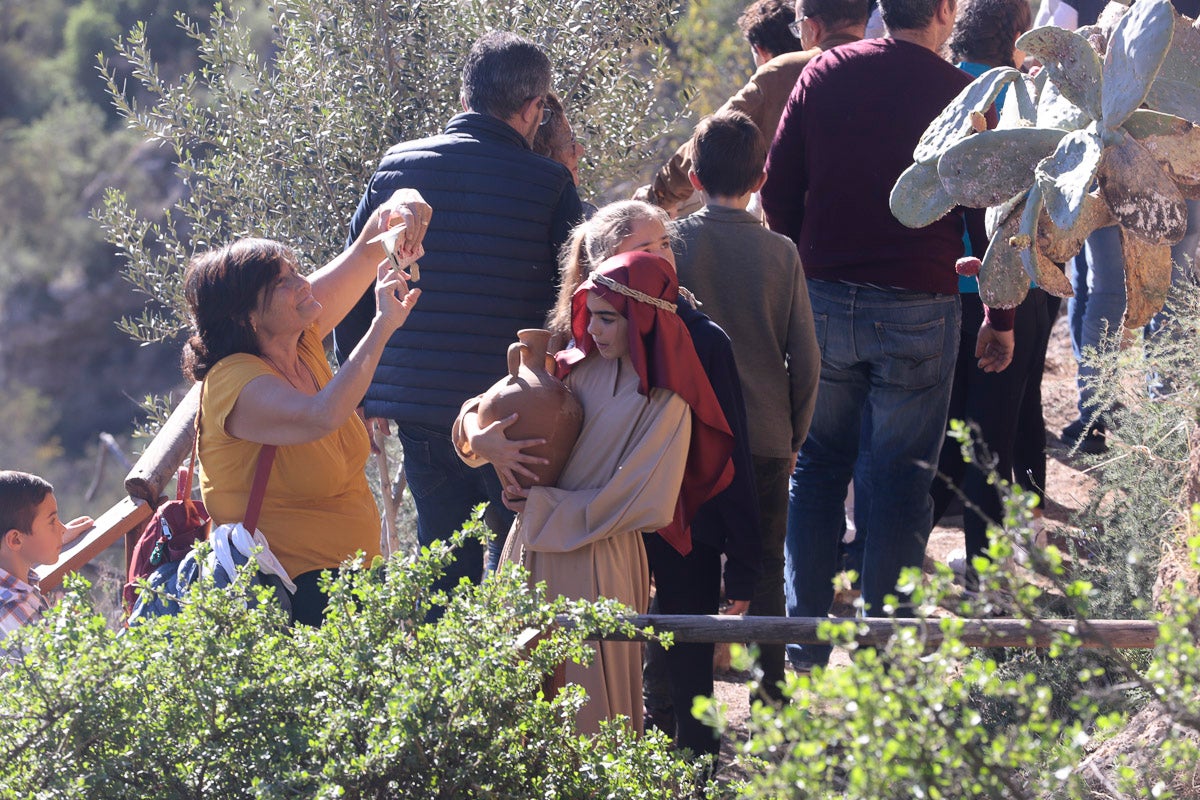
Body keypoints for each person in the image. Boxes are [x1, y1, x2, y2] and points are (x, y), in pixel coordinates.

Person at [761, 0, 1016, 669]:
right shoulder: (961, 94)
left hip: (825, 303)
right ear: (943, 11)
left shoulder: (827, 71)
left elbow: (778, 190)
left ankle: (805, 649)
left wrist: (803, 272)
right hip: (922, 307)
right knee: (901, 480)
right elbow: (992, 217)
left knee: (817, 471)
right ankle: (885, 665)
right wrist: (1001, 315)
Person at [334, 32, 584, 595]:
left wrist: (359, 392)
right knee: (521, 555)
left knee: (444, 559)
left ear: (464, 94)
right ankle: (513, 677)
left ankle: (448, 680)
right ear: (532, 109)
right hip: (518, 410)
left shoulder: (397, 168)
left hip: (423, 410)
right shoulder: (548, 185)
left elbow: (352, 280)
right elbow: (572, 298)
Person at [454, 250, 736, 736]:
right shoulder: (574, 369)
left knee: (589, 714)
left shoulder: (667, 401)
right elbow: (483, 409)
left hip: (602, 557)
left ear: (643, 316)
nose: (595, 329)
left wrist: (542, 506)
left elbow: (643, 499)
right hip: (531, 548)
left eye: (607, 318)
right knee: (520, 700)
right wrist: (476, 438)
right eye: (591, 315)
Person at [184, 191, 427, 627]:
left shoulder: (301, 339)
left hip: (355, 580)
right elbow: (320, 415)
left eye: (295, 271)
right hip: (294, 599)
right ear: (245, 318)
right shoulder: (232, 382)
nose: (303, 284)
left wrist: (405, 211)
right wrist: (382, 325)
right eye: (283, 282)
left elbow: (367, 245)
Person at [670, 111, 819, 702]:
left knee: (690, 573)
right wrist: (793, 437)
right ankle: (772, 703)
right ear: (760, 179)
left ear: (695, 176)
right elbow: (805, 359)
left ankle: (685, 710)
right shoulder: (781, 254)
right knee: (762, 574)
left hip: (687, 439)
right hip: (762, 437)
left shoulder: (672, 243)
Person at [929, 0, 1053, 586]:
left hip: (952, 285)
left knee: (957, 428)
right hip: (1024, 281)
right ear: (1017, 36)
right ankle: (1005, 549)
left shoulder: (946, 96)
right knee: (1009, 415)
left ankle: (903, 559)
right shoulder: (1034, 103)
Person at [637, 0, 866, 217]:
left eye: (798, 28)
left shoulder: (784, 72)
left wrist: (657, 197)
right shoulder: (894, 64)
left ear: (812, 27)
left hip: (797, 236)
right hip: (885, 231)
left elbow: (712, 135)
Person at [0, 471, 92, 641]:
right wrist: (69, 622)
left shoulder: (17, 580)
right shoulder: (11, 606)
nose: (62, 528)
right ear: (15, 539)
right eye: (52, 522)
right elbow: (54, 664)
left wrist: (56, 538)